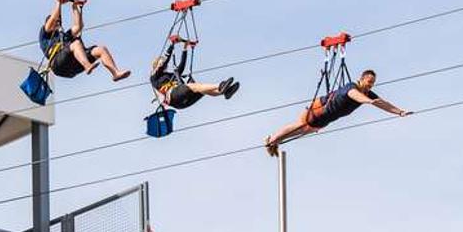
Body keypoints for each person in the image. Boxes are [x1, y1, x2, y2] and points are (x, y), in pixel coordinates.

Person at [263, 69, 411, 155]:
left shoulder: (368, 93)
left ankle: (275, 141)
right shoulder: (352, 86)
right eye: (369, 82)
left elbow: (383, 103)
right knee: (301, 125)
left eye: (373, 83)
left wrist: (399, 112)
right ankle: (271, 139)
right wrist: (369, 101)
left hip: (327, 118)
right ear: (362, 79)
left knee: (305, 130)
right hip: (319, 109)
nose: (370, 86)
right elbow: (353, 95)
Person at [39, 0, 130, 82]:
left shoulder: (64, 36)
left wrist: (74, 7)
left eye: (59, 22)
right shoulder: (45, 35)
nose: (57, 23)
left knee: (101, 49)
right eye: (56, 21)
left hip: (73, 65)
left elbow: (78, 26)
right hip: (58, 64)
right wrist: (58, 3)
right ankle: (87, 66)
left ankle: (115, 73)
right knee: (76, 44)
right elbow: (52, 21)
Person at [149, 51, 237, 110]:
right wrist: (172, 45)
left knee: (203, 91)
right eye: (161, 62)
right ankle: (220, 85)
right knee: (193, 86)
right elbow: (164, 62)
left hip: (181, 102)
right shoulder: (154, 77)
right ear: (156, 65)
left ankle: (225, 92)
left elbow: (181, 67)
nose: (163, 63)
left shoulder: (170, 75)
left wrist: (185, 49)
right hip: (173, 97)